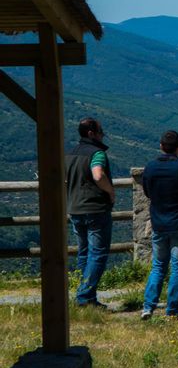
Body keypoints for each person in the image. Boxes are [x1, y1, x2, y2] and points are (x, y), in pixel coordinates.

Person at [140, 130, 178, 320]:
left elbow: (147, 192)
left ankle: (148, 307)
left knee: (158, 266)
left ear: (161, 147)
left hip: (159, 224)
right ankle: (173, 309)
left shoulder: (150, 168)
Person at [66, 117, 116, 309]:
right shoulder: (97, 154)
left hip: (74, 208)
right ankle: (85, 296)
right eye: (101, 131)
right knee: (98, 253)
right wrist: (110, 191)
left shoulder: (70, 154)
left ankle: (84, 293)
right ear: (91, 134)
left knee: (84, 252)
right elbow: (98, 174)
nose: (103, 135)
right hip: (95, 208)